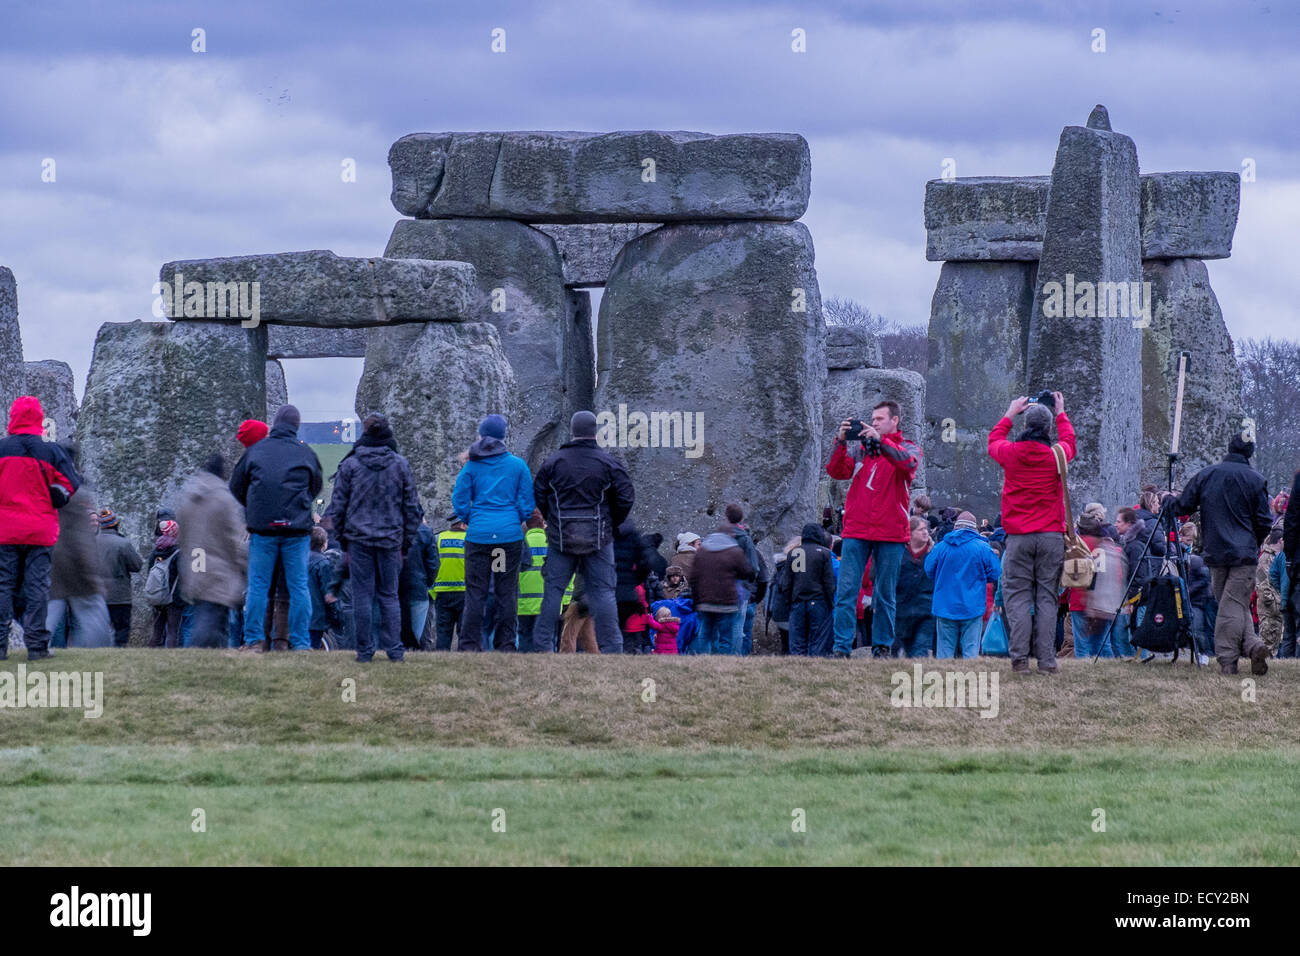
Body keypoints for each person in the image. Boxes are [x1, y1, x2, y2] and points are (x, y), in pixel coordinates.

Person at [1164, 435, 1273, 675]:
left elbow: (1183, 506)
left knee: (1229, 603)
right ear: (1250, 453)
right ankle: (1250, 647)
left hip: (1216, 551)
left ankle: (1228, 659)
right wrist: (1252, 542)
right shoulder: (1255, 480)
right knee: (1233, 603)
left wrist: (1167, 501)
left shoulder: (1207, 475)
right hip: (1243, 552)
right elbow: (1265, 521)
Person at [530, 410, 635, 654]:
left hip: (561, 537)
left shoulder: (553, 462)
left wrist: (552, 520)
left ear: (572, 430)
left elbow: (538, 496)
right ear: (595, 431)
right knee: (603, 593)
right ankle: (613, 648)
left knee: (553, 592)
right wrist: (611, 522)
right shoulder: (608, 463)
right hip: (599, 536)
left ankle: (542, 647)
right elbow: (626, 496)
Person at [987, 391, 1074, 675]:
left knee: (1019, 597)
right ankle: (1047, 660)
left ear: (1025, 427)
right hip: (1050, 535)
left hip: (1019, 536)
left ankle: (1020, 660)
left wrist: (1010, 412)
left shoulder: (1010, 454)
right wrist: (1061, 412)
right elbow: (1069, 442)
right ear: (1048, 429)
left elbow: (993, 442)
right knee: (1047, 597)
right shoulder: (1056, 456)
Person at [827, 400, 922, 658]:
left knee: (885, 594)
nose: (874, 423)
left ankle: (882, 646)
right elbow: (836, 472)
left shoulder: (907, 446)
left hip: (890, 531)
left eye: (879, 419)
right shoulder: (861, 450)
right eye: (873, 419)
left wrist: (881, 442)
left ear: (895, 421)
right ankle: (841, 647)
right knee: (846, 591)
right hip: (857, 529)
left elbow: (909, 464)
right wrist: (841, 441)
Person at [325, 412, 423, 663]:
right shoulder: (400, 465)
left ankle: (365, 650)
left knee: (362, 596)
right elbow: (412, 508)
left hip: (359, 539)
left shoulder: (350, 465)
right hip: (390, 539)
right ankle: (394, 649)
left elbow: (337, 508)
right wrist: (406, 541)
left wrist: (344, 539)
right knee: (389, 596)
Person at [229, 404, 323, 653]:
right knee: (298, 586)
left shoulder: (256, 452)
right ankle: (301, 643)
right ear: (296, 426)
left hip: (263, 529)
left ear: (275, 423)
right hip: (296, 530)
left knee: (258, 586)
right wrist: (299, 506)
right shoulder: (306, 453)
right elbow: (315, 487)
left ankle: (253, 641)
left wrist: (254, 507)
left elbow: (236, 485)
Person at [0, 396, 80, 661]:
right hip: (40, 528)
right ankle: (36, 646)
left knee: (3, 585)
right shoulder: (51, 449)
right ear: (38, 417)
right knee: (37, 587)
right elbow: (71, 481)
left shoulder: (2, 448)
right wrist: (59, 495)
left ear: (13, 417)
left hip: (6, 529)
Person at [451, 414, 535, 652]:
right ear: (503, 436)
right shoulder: (517, 465)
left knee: (475, 593)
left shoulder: (472, 466)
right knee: (506, 593)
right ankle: (506, 644)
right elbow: (527, 502)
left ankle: (469, 644)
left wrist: (472, 518)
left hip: (479, 536)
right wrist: (514, 518)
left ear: (482, 435)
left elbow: (459, 498)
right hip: (508, 537)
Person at [177, 454, 248, 648]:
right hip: (218, 566)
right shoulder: (223, 499)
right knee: (211, 618)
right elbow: (233, 538)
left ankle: (218, 658)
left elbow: (181, 534)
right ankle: (195, 654)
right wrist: (245, 563)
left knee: (208, 615)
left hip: (194, 562)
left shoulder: (189, 497)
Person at [47, 458, 111, 648]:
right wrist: (94, 572)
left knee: (48, 612)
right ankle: (96, 654)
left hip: (50, 562)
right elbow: (81, 538)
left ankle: (36, 648)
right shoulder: (77, 493)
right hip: (76, 566)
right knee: (93, 612)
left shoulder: (46, 488)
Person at [925, 511, 1001, 659]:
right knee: (970, 650)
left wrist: (941, 577)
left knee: (944, 651)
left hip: (945, 606)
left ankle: (944, 680)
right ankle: (968, 680)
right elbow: (995, 573)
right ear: (974, 528)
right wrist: (980, 578)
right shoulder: (982, 547)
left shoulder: (941, 547)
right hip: (972, 606)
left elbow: (929, 570)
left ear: (956, 526)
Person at [687, 526, 754, 654]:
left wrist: (696, 600)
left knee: (704, 634)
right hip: (726, 601)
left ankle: (702, 661)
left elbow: (694, 577)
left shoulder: (702, 552)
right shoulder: (734, 552)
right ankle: (723, 665)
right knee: (725, 637)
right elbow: (746, 572)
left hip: (705, 601)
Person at [781, 522, 836, 657]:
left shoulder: (793, 553)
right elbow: (829, 582)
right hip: (818, 602)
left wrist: (788, 602)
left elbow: (786, 582)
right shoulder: (824, 553)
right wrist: (831, 603)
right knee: (818, 641)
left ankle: (797, 668)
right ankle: (815, 669)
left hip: (798, 602)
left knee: (798, 641)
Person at [725, 504, 767, 656]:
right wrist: (755, 596)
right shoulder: (754, 552)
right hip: (745, 593)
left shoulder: (721, 539)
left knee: (721, 626)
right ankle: (740, 656)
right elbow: (762, 577)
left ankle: (719, 655)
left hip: (723, 587)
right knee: (741, 629)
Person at [96, 508, 142, 647]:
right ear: (116, 524)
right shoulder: (123, 543)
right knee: (121, 628)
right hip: (119, 595)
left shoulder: (91, 542)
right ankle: (118, 651)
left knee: (99, 628)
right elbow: (136, 565)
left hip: (97, 593)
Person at [894, 516, 936, 658]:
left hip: (926, 611)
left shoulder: (934, 554)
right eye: (921, 530)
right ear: (910, 532)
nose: (925, 533)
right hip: (900, 611)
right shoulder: (898, 554)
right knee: (897, 652)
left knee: (919, 651)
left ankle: (917, 678)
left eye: (926, 529)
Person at [399, 517, 439, 650]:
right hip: (418, 589)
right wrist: (427, 582)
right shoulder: (425, 532)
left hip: (395, 591)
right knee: (416, 635)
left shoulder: (391, 529)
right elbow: (433, 564)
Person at [432, 517, 468, 650]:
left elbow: (431, 563)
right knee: (464, 632)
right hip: (464, 592)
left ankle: (442, 660)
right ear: (463, 524)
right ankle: (463, 662)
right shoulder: (469, 539)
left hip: (442, 592)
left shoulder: (438, 538)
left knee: (443, 633)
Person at [147, 519, 184, 647]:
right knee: (173, 631)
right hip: (174, 599)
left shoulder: (156, 551)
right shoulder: (178, 552)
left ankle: (148, 655)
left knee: (157, 630)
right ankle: (172, 658)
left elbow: (149, 571)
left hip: (158, 596)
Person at [1256, 529, 1285, 657]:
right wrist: (1274, 604)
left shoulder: (1277, 557)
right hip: (1269, 611)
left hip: (1277, 608)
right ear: (1281, 540)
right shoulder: (1266, 558)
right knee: (1267, 644)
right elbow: (1262, 585)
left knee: (1275, 645)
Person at [306, 526, 335, 649]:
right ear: (324, 544)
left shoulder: (297, 560)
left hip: (298, 614)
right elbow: (328, 590)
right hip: (317, 615)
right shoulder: (324, 563)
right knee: (314, 646)